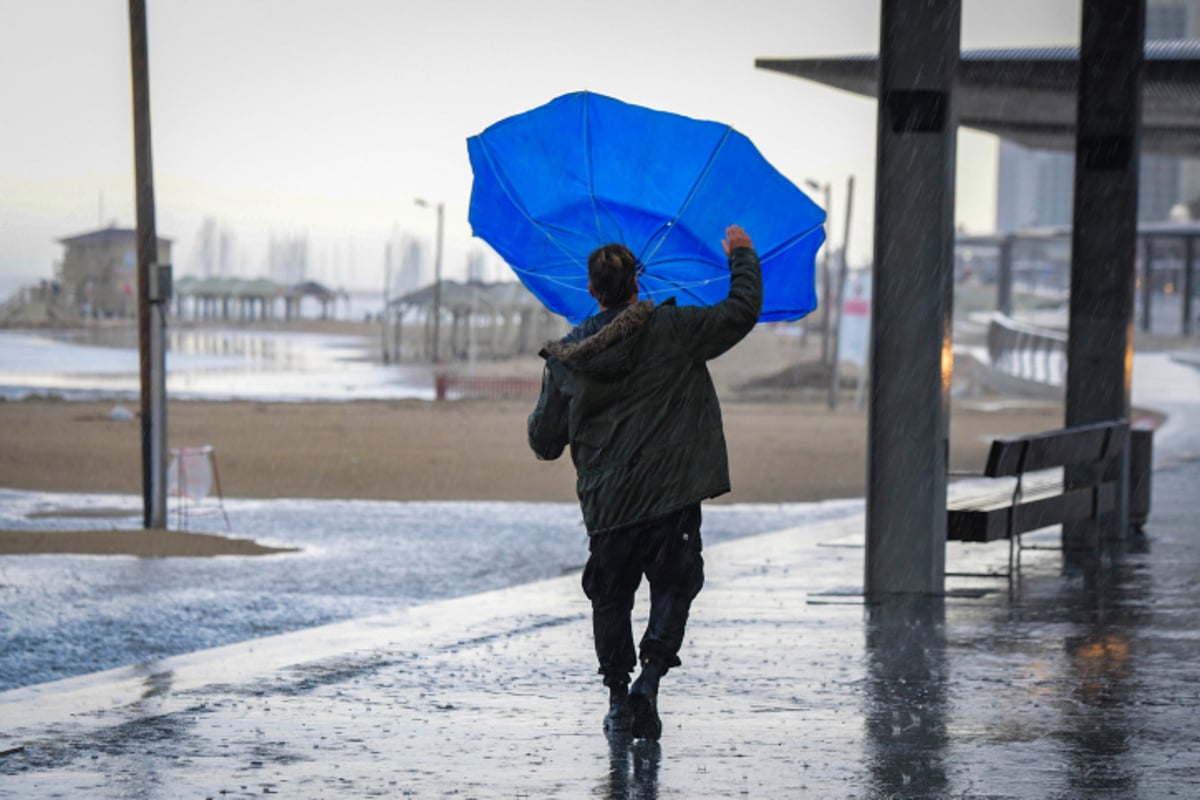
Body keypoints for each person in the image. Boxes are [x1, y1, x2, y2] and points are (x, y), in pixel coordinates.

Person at [527, 224, 762, 740]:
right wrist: (741, 256)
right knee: (675, 586)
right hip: (670, 497)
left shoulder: (570, 357)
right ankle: (649, 682)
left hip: (609, 506)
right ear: (639, 281)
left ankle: (617, 697)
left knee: (610, 597)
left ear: (591, 291)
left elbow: (544, 443)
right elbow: (740, 311)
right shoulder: (675, 329)